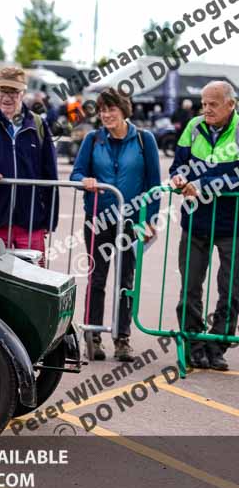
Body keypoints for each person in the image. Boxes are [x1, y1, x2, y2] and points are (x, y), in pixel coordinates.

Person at [71, 87, 161, 362]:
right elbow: (77, 172)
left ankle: (122, 338)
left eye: (111, 109)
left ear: (124, 110)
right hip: (98, 220)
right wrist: (83, 180)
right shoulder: (93, 139)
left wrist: (149, 220)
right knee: (97, 278)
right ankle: (93, 337)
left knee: (125, 280)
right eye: (102, 110)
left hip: (132, 222)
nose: (106, 114)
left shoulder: (145, 140)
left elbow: (154, 186)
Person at [170, 81, 239, 371]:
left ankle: (217, 346)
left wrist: (203, 184)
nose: (206, 109)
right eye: (203, 103)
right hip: (195, 223)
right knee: (189, 289)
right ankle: (193, 345)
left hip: (232, 225)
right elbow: (179, 165)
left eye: (213, 104)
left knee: (231, 290)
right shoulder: (194, 126)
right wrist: (178, 179)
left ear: (231, 105)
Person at [0, 66, 59, 262]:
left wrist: (49, 220)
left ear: (23, 93)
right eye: (2, 92)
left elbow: (50, 173)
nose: (7, 98)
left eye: (13, 92)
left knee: (34, 281)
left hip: (31, 220)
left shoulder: (37, 124)